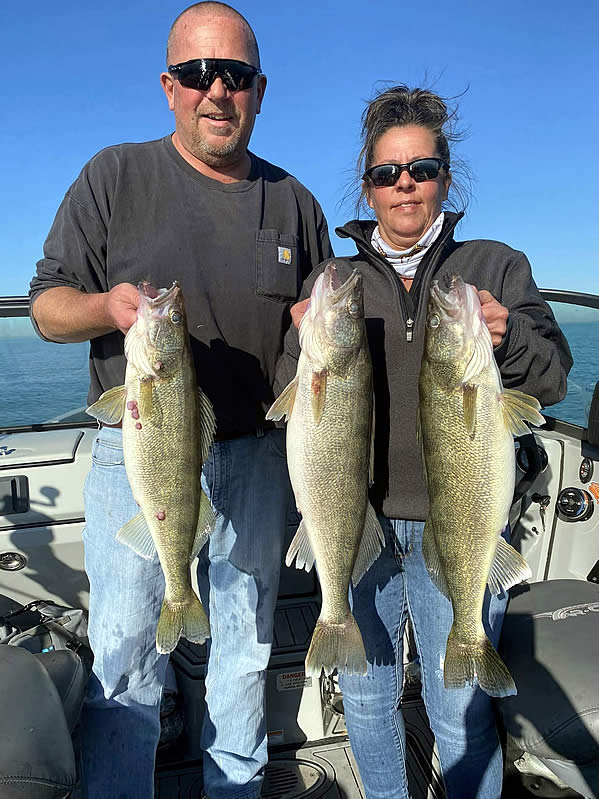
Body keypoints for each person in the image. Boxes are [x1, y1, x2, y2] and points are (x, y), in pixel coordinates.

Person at [29, 3, 332, 797]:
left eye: (234, 76)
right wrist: (107, 309)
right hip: (138, 459)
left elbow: (323, 341)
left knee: (243, 649)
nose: (216, 92)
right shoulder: (113, 174)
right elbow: (46, 306)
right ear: (169, 86)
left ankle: (233, 788)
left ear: (259, 90)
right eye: (198, 75)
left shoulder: (295, 201)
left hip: (258, 460)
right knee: (125, 655)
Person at [276, 86, 572, 799]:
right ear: (367, 185)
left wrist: (512, 338)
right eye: (387, 173)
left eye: (422, 168)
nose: (404, 185)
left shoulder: (495, 265)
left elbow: (553, 376)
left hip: (459, 523)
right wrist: (299, 346)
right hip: (363, 521)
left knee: (458, 703)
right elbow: (292, 400)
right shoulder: (335, 280)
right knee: (371, 700)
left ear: (445, 174)